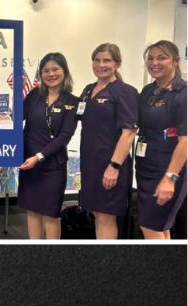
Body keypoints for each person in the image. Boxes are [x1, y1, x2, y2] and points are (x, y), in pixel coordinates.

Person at [77, 43, 139, 239]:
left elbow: (129, 132)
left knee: (105, 217)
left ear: (117, 63)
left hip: (110, 164)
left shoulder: (124, 91)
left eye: (107, 60)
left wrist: (114, 166)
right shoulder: (88, 90)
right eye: (97, 60)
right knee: (96, 213)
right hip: (90, 163)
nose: (101, 65)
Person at [16, 53, 80, 239]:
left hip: (53, 166)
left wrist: (39, 157)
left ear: (64, 71)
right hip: (29, 163)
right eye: (46, 70)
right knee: (32, 212)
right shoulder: (35, 95)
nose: (51, 74)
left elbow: (64, 137)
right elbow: (18, 119)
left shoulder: (73, 102)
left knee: (51, 214)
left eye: (55, 69)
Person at [135, 40, 186, 239]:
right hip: (146, 167)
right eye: (150, 58)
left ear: (175, 61)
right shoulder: (148, 91)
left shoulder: (183, 94)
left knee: (149, 225)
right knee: (159, 226)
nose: (154, 63)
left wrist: (169, 179)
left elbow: (185, 141)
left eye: (161, 57)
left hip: (168, 170)